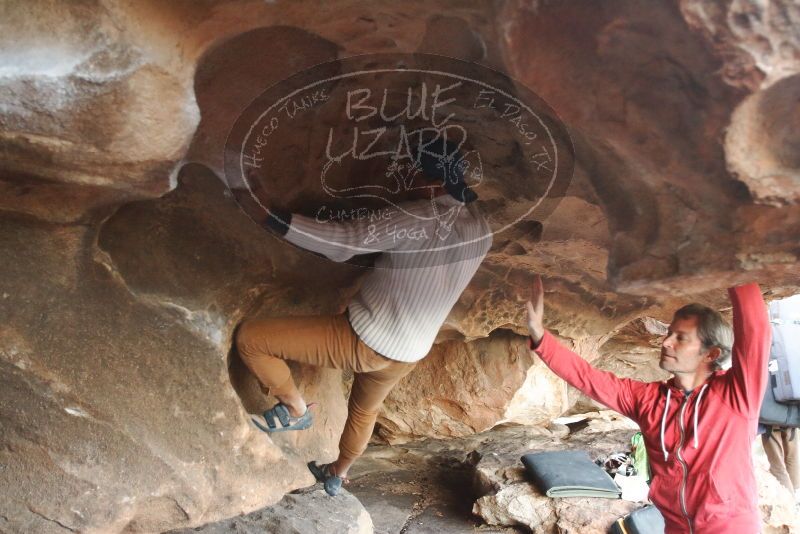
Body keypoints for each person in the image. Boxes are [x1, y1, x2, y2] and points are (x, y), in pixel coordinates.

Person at [234, 137, 492, 496]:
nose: (406, 177)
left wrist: (273, 218)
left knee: (252, 339)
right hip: (410, 352)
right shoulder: (482, 227)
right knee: (364, 412)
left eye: (413, 172)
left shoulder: (418, 216)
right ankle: (337, 473)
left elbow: (344, 241)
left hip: (365, 340)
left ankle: (294, 408)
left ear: (433, 181)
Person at [525, 275, 770, 533]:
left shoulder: (737, 395)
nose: (666, 342)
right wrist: (540, 336)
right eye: (668, 333)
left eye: (681, 338)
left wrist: (735, 269)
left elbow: (756, 334)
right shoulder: (649, 399)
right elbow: (588, 378)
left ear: (711, 354)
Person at [759, 424, 799, 501]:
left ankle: (790, 502)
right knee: (792, 458)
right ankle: (797, 495)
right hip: (791, 418)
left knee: (777, 466)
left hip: (771, 421)